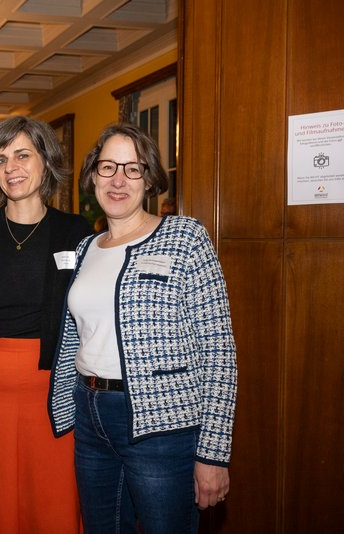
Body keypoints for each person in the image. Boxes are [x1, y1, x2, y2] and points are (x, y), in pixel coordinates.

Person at [49, 123, 237, 533]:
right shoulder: (86, 248)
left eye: (132, 169)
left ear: (150, 178)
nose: (118, 180)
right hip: (91, 414)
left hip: (163, 426)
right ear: (92, 176)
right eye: (107, 167)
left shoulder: (186, 237)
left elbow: (219, 352)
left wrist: (213, 453)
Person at [0, 115, 91, 533]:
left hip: (52, 388)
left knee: (50, 498)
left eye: (22, 155)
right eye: (0, 160)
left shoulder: (76, 231)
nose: (10, 167)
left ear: (46, 161)